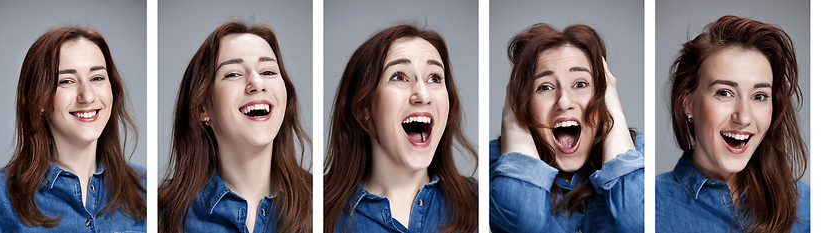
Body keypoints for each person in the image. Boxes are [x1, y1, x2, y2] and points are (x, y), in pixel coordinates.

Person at [656, 15, 809, 233]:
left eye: (759, 96)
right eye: (724, 93)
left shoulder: (807, 207)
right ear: (688, 104)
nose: (744, 117)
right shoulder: (650, 207)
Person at [490, 23, 644, 232]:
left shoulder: (638, 154)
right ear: (522, 100)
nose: (563, 102)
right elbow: (525, 220)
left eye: (580, 84)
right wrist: (513, 115)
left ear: (602, 93)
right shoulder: (496, 165)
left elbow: (637, 218)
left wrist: (612, 110)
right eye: (544, 87)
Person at [158, 22, 312, 233]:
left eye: (268, 71)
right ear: (203, 108)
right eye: (233, 74)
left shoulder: (324, 206)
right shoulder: (162, 218)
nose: (257, 83)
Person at [324, 24, 478, 233]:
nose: (423, 95)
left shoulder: (482, 204)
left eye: (435, 78)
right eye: (399, 76)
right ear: (363, 108)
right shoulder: (319, 216)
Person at [0, 27, 146, 231]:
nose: (87, 96)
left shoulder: (147, 191)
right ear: (38, 100)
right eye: (66, 81)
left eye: (97, 78)